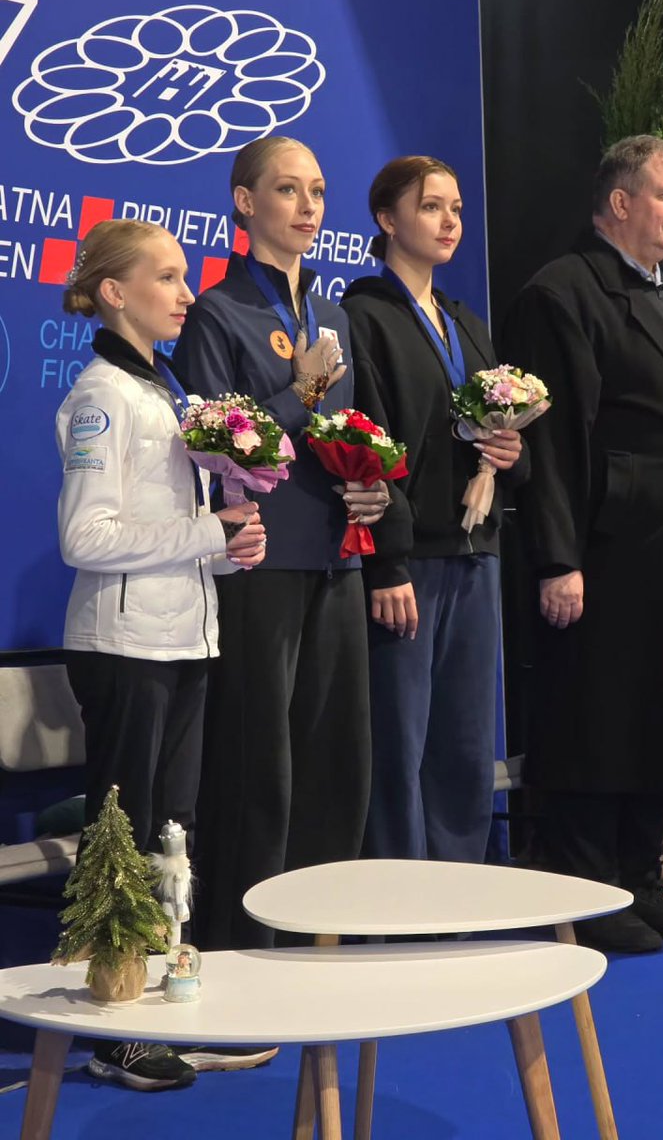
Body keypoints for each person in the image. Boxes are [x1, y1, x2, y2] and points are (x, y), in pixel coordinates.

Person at [57, 218, 267, 1089]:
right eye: (169, 276)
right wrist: (202, 531)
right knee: (126, 837)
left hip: (184, 638)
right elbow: (83, 537)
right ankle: (117, 1029)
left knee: (170, 838)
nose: (188, 292)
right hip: (125, 646)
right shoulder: (99, 396)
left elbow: (179, 533)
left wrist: (225, 544)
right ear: (115, 292)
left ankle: (170, 1001)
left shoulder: (167, 390)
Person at [173, 136, 388, 948]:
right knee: (257, 766)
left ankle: (319, 934)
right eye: (288, 190)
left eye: (318, 191)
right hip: (257, 563)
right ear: (243, 202)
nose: (307, 207)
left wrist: (368, 484)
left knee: (337, 758)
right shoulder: (218, 315)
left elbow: (348, 433)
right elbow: (225, 444)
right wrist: (299, 392)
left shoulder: (330, 315)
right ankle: (243, 942)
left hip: (333, 554)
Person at [501, 134, 663, 953]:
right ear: (619, 203)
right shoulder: (561, 291)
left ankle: (639, 878)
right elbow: (557, 441)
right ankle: (588, 889)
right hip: (604, 544)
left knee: (655, 715)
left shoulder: (662, 292)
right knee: (596, 716)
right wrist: (556, 556)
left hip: (662, 545)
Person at [341, 155, 526, 864]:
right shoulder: (363, 317)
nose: (449, 221)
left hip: (476, 554)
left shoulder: (463, 322)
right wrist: (387, 561)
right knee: (400, 741)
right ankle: (396, 904)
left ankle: (458, 895)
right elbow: (369, 448)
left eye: (454, 208)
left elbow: (510, 432)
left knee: (463, 742)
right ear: (387, 220)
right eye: (429, 207)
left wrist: (509, 453)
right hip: (410, 562)